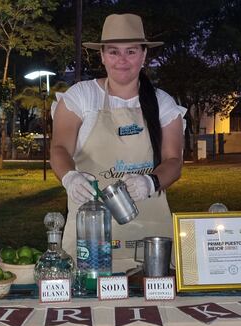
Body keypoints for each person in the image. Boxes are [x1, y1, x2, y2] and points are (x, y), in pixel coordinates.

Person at [50, 13, 186, 262]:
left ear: (144, 55)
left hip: (150, 237)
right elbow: (59, 147)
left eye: (131, 51)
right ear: (102, 55)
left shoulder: (163, 103)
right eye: (113, 52)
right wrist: (70, 177)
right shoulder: (81, 97)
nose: (122, 60)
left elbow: (174, 161)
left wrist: (151, 182)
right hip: (89, 236)